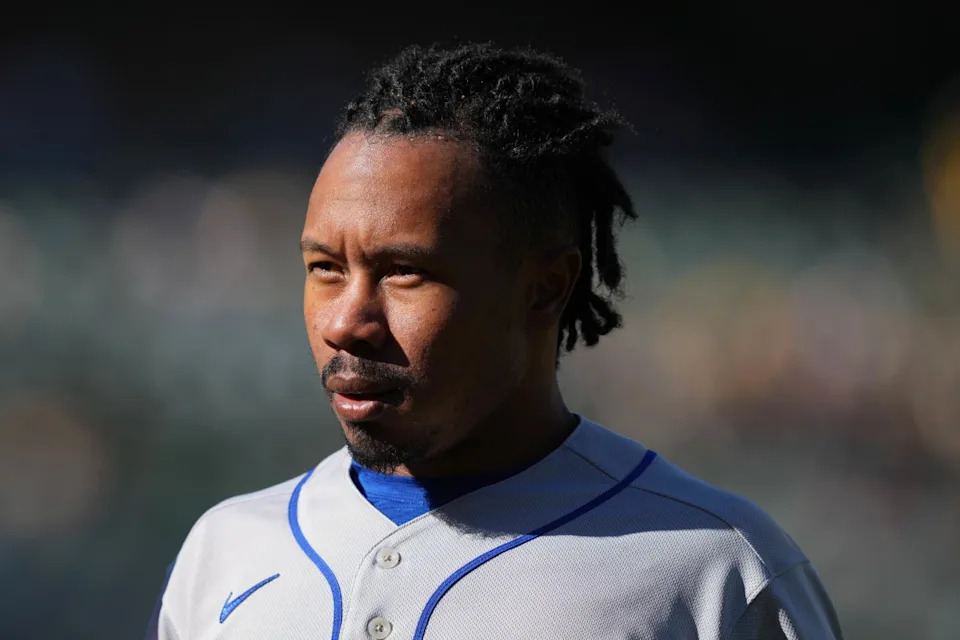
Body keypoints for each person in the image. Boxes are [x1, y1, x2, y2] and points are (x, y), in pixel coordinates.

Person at [147, 43, 843, 640]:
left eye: (404, 272)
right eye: (326, 268)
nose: (344, 322)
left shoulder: (718, 569)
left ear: (544, 287)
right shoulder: (228, 548)